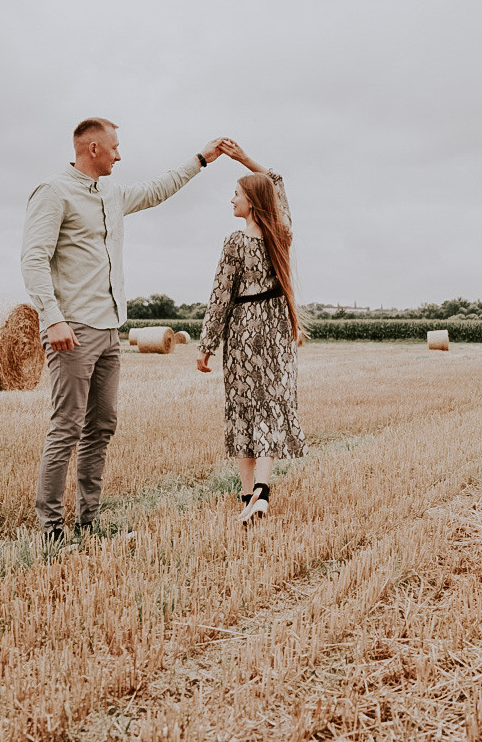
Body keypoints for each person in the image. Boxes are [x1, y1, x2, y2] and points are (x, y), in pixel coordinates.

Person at [23, 118, 226, 542]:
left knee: (102, 427)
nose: (120, 154)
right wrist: (51, 317)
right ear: (92, 148)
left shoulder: (111, 194)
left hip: (110, 328)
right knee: (67, 427)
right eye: (114, 147)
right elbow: (34, 259)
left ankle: (89, 520)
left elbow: (157, 189)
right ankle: (50, 530)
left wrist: (201, 159)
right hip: (71, 327)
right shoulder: (53, 192)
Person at [196, 140, 305, 525]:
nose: (231, 201)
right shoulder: (281, 232)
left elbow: (220, 296)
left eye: (237, 194)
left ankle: (251, 494)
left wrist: (207, 345)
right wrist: (243, 158)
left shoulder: (235, 242)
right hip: (275, 328)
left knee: (243, 408)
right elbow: (275, 180)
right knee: (271, 405)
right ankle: (257, 493)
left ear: (251, 202)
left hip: (243, 330)